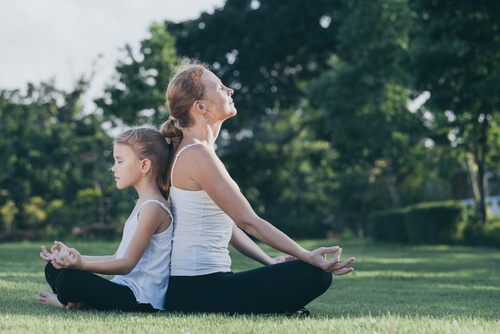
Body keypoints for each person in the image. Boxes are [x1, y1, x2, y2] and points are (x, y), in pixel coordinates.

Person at [160, 59, 355, 315]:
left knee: (302, 273)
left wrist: (269, 262)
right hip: (197, 289)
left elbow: (228, 228)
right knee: (315, 274)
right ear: (201, 107)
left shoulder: (195, 150)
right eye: (220, 88)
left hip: (197, 287)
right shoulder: (197, 154)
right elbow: (248, 221)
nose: (230, 90)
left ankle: (273, 304)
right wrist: (306, 254)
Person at [38, 127, 174, 312]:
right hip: (123, 288)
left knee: (68, 279)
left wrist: (82, 265)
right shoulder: (143, 204)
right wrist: (68, 259)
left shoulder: (153, 207)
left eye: (119, 161)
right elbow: (116, 257)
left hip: (140, 299)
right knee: (54, 269)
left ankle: (65, 302)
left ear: (144, 166)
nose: (113, 168)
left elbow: (126, 264)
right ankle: (81, 301)